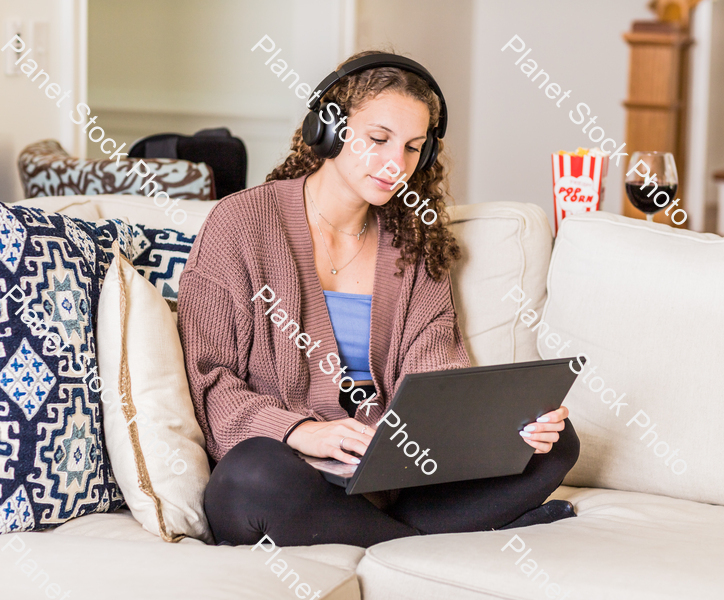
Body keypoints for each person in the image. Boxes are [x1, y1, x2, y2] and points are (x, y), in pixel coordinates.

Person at [177, 50, 580, 548]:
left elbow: (436, 377)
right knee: (251, 478)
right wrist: (301, 430)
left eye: (413, 148)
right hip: (292, 470)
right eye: (378, 140)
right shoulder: (240, 224)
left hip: (393, 475)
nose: (396, 165)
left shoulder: (413, 242)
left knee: (556, 444)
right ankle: (436, 541)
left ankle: (397, 539)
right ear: (327, 130)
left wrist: (506, 425)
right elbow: (208, 380)